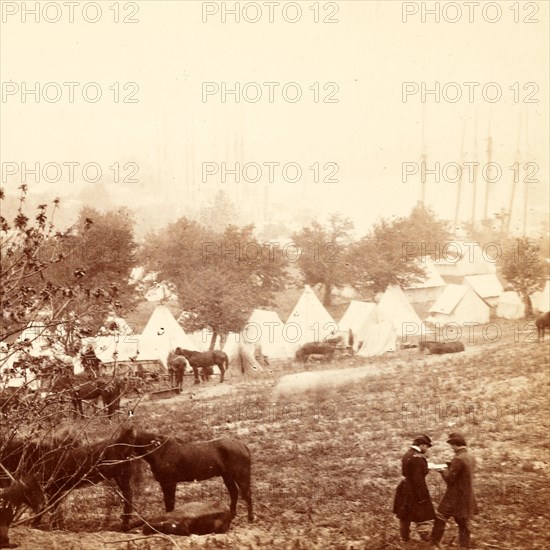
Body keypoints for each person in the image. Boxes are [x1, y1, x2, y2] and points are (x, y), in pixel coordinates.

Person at [430, 433, 478, 548]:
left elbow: (450, 479)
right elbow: (463, 472)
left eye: (452, 446)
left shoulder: (458, 459)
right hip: (466, 496)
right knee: (463, 522)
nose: (452, 448)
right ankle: (464, 546)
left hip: (454, 496)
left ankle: (434, 543)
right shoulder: (470, 456)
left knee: (440, 517)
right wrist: (450, 465)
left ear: (456, 445)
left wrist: (442, 470)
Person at [393, 434, 436, 544]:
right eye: (426, 447)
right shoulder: (418, 458)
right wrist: (422, 497)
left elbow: (405, 472)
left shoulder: (407, 454)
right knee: (422, 515)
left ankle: (404, 539)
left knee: (404, 516)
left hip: (405, 488)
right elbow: (418, 480)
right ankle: (425, 539)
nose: (426, 449)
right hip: (415, 491)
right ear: (422, 445)